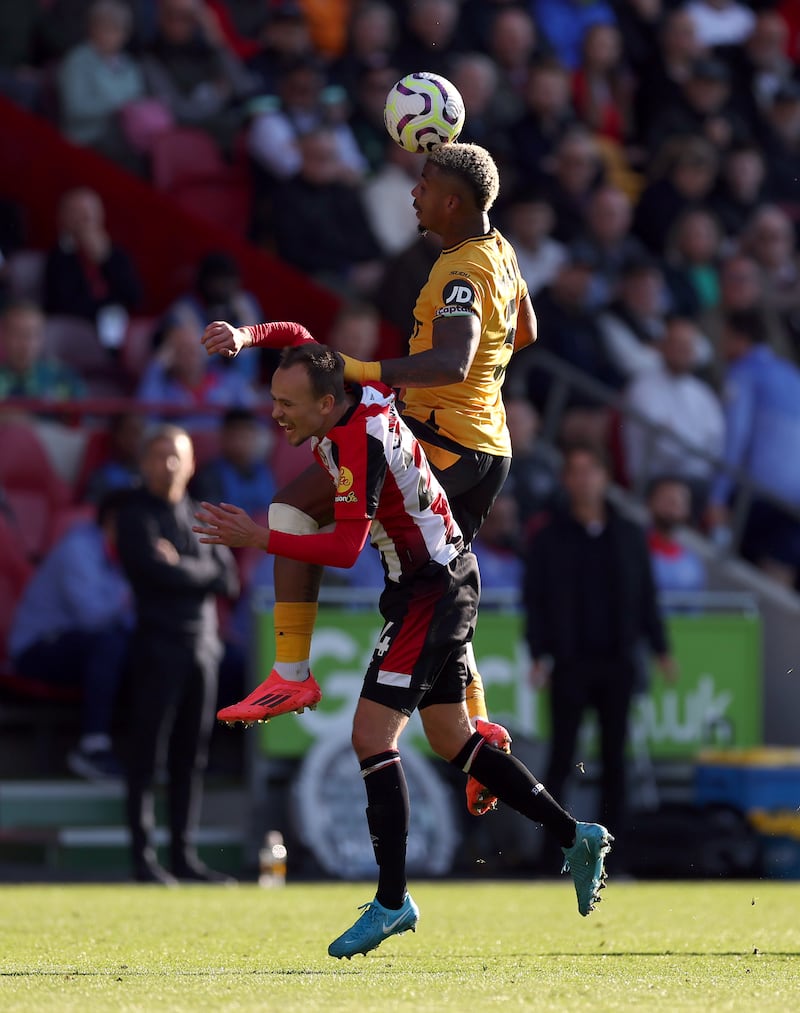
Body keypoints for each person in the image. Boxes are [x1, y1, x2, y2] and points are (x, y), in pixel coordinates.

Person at [194, 344, 613, 955]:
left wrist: (259, 536)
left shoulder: (356, 442)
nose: (276, 414)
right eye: (275, 399)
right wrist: (248, 332)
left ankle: (393, 901)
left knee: (371, 738)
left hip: (430, 590)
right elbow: (295, 333)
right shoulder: (350, 400)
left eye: (287, 404)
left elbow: (341, 551)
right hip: (438, 579)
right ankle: (575, 836)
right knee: (450, 739)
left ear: (327, 403)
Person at [201, 141, 538, 818]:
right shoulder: (497, 249)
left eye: (424, 181)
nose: (412, 191)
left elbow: (448, 359)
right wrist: (247, 333)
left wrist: (372, 373)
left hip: (450, 442)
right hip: (482, 443)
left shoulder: (462, 271)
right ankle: (480, 728)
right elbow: (525, 328)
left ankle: (292, 673)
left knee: (303, 512)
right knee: (438, 578)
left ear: (451, 200)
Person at [523, 443, 675, 871]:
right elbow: (536, 600)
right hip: (570, 662)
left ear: (605, 477)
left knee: (615, 759)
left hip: (617, 661)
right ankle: (549, 853)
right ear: (566, 480)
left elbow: (646, 595)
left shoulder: (628, 532)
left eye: (591, 470)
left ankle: (614, 853)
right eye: (575, 471)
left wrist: (660, 648)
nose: (584, 479)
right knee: (561, 758)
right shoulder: (549, 535)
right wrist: (538, 653)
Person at [116, 424, 239, 884]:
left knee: (193, 755)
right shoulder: (134, 515)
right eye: (160, 455)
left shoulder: (200, 514)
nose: (169, 464)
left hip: (203, 649)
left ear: (190, 464)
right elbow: (150, 572)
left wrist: (180, 566)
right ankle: (143, 857)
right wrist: (199, 571)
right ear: (145, 462)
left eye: (177, 456)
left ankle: (184, 854)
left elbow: (229, 580)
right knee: (147, 754)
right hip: (157, 647)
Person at [8, 490, 134, 780]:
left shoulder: (124, 553)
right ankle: (93, 747)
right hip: (37, 648)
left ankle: (155, 754)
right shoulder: (78, 548)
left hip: (83, 645)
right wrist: (135, 588)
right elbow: (93, 618)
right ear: (115, 521)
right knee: (109, 644)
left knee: (153, 647)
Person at [708, 309, 800, 587]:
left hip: (759, 494)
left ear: (739, 339)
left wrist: (717, 498)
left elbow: (736, 436)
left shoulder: (744, 372)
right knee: (777, 577)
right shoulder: (791, 375)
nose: (721, 347)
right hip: (794, 497)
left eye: (724, 339)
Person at [623, 315, 724, 513]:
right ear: (663, 346)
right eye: (677, 343)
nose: (683, 350)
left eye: (688, 345)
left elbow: (716, 445)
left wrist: (686, 441)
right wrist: (696, 447)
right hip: (653, 479)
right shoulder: (643, 387)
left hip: (694, 483)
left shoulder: (703, 394)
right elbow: (668, 448)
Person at [189, 407, 276, 518]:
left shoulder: (264, 471)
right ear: (223, 437)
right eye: (235, 436)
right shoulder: (210, 475)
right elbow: (210, 519)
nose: (240, 443)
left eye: (245, 436)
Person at [0, 298, 86, 401]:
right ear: (3, 336)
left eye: (33, 334)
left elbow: (86, 414)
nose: (25, 343)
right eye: (17, 334)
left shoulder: (63, 376)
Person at [646, 476, 707, 594]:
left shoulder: (693, 565)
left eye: (678, 501)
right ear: (650, 501)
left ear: (687, 510)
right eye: (666, 499)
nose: (671, 507)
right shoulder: (629, 548)